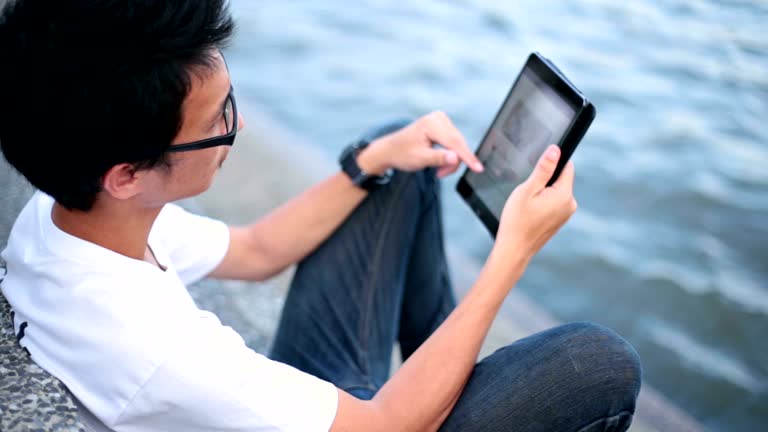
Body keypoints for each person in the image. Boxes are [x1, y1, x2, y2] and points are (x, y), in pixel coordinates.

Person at [0, 1, 641, 431]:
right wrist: (512, 255)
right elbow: (384, 425)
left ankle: (445, 383)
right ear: (128, 175)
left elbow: (255, 251)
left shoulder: (73, 215)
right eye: (217, 119)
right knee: (600, 363)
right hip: (373, 423)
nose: (239, 126)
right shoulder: (153, 346)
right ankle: (447, 392)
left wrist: (372, 159)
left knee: (396, 159)